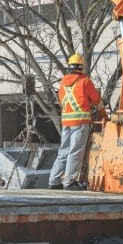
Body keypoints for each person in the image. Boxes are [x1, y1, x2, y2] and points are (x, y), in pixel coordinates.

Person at [47, 55, 103, 191]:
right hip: (80, 122)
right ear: (81, 67)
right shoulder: (85, 82)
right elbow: (96, 100)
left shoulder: (63, 84)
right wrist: (103, 114)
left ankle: (54, 181)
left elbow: (62, 101)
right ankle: (70, 182)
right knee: (75, 151)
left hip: (66, 122)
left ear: (69, 67)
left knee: (64, 151)